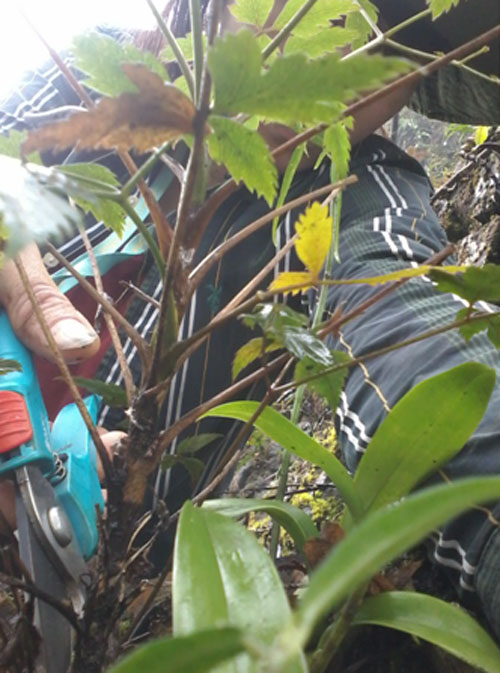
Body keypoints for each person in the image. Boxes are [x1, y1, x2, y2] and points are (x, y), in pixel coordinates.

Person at [1, 0, 500, 641]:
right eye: (326, 14)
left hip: (96, 602)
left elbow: (414, 335)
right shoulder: (90, 73)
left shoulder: (351, 192)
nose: (339, 69)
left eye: (388, 54)